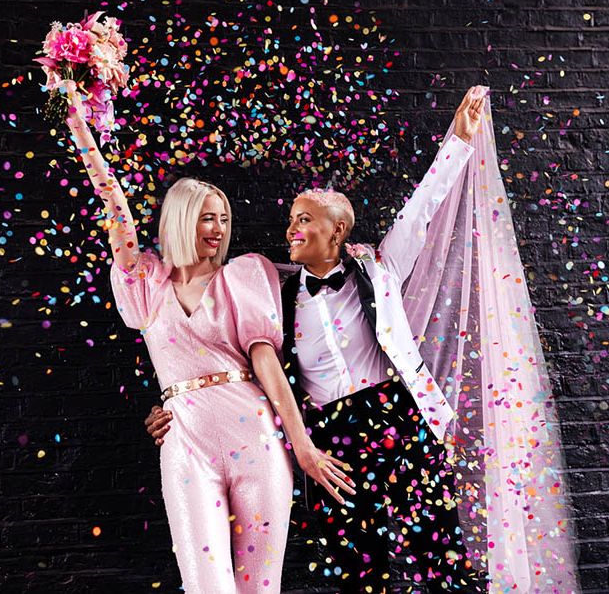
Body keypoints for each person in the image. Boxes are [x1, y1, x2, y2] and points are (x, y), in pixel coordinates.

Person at [146, 88, 487, 592]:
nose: (291, 229)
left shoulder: (381, 265)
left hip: (396, 414)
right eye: (291, 220)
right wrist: (173, 404)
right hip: (329, 435)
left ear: (338, 229)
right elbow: (218, 350)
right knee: (355, 567)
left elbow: (423, 209)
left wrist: (458, 140)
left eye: (304, 219)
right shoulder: (271, 290)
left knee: (438, 553)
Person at [62, 87, 355, 594]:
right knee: (207, 588)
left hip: (258, 440)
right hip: (186, 443)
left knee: (259, 588)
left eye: (223, 217)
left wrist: (302, 446)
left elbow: (268, 368)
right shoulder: (146, 283)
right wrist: (77, 121)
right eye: (207, 216)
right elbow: (114, 209)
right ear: (181, 217)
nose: (219, 228)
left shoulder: (245, 274)